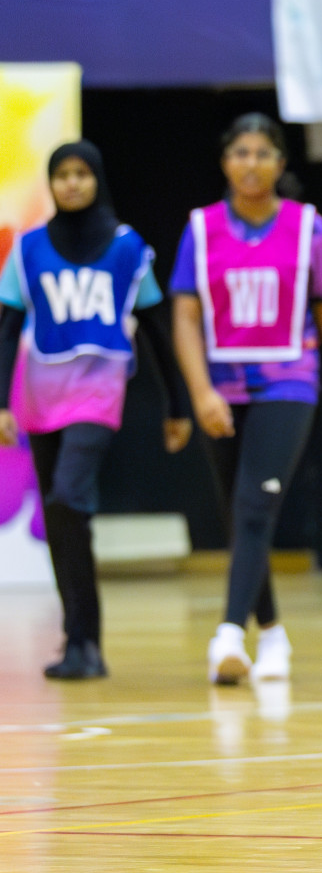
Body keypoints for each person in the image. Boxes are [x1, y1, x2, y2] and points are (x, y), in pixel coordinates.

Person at [171, 113, 322, 685]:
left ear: (281, 164)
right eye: (240, 153)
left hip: (289, 383)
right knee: (241, 517)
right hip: (222, 387)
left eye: (263, 153)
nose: (251, 164)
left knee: (257, 506)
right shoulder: (201, 229)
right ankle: (276, 635)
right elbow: (185, 315)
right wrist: (201, 391)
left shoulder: (310, 229)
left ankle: (229, 633)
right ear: (225, 163)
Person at [0, 141, 191, 679]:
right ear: (51, 183)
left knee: (68, 496)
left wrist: (175, 403)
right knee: (64, 521)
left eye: (82, 173)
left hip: (97, 391)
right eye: (62, 174)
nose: (72, 183)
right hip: (39, 397)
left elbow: (154, 325)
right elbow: (8, 325)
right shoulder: (30, 248)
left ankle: (87, 639)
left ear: (97, 179)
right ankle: (79, 642)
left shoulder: (127, 247)